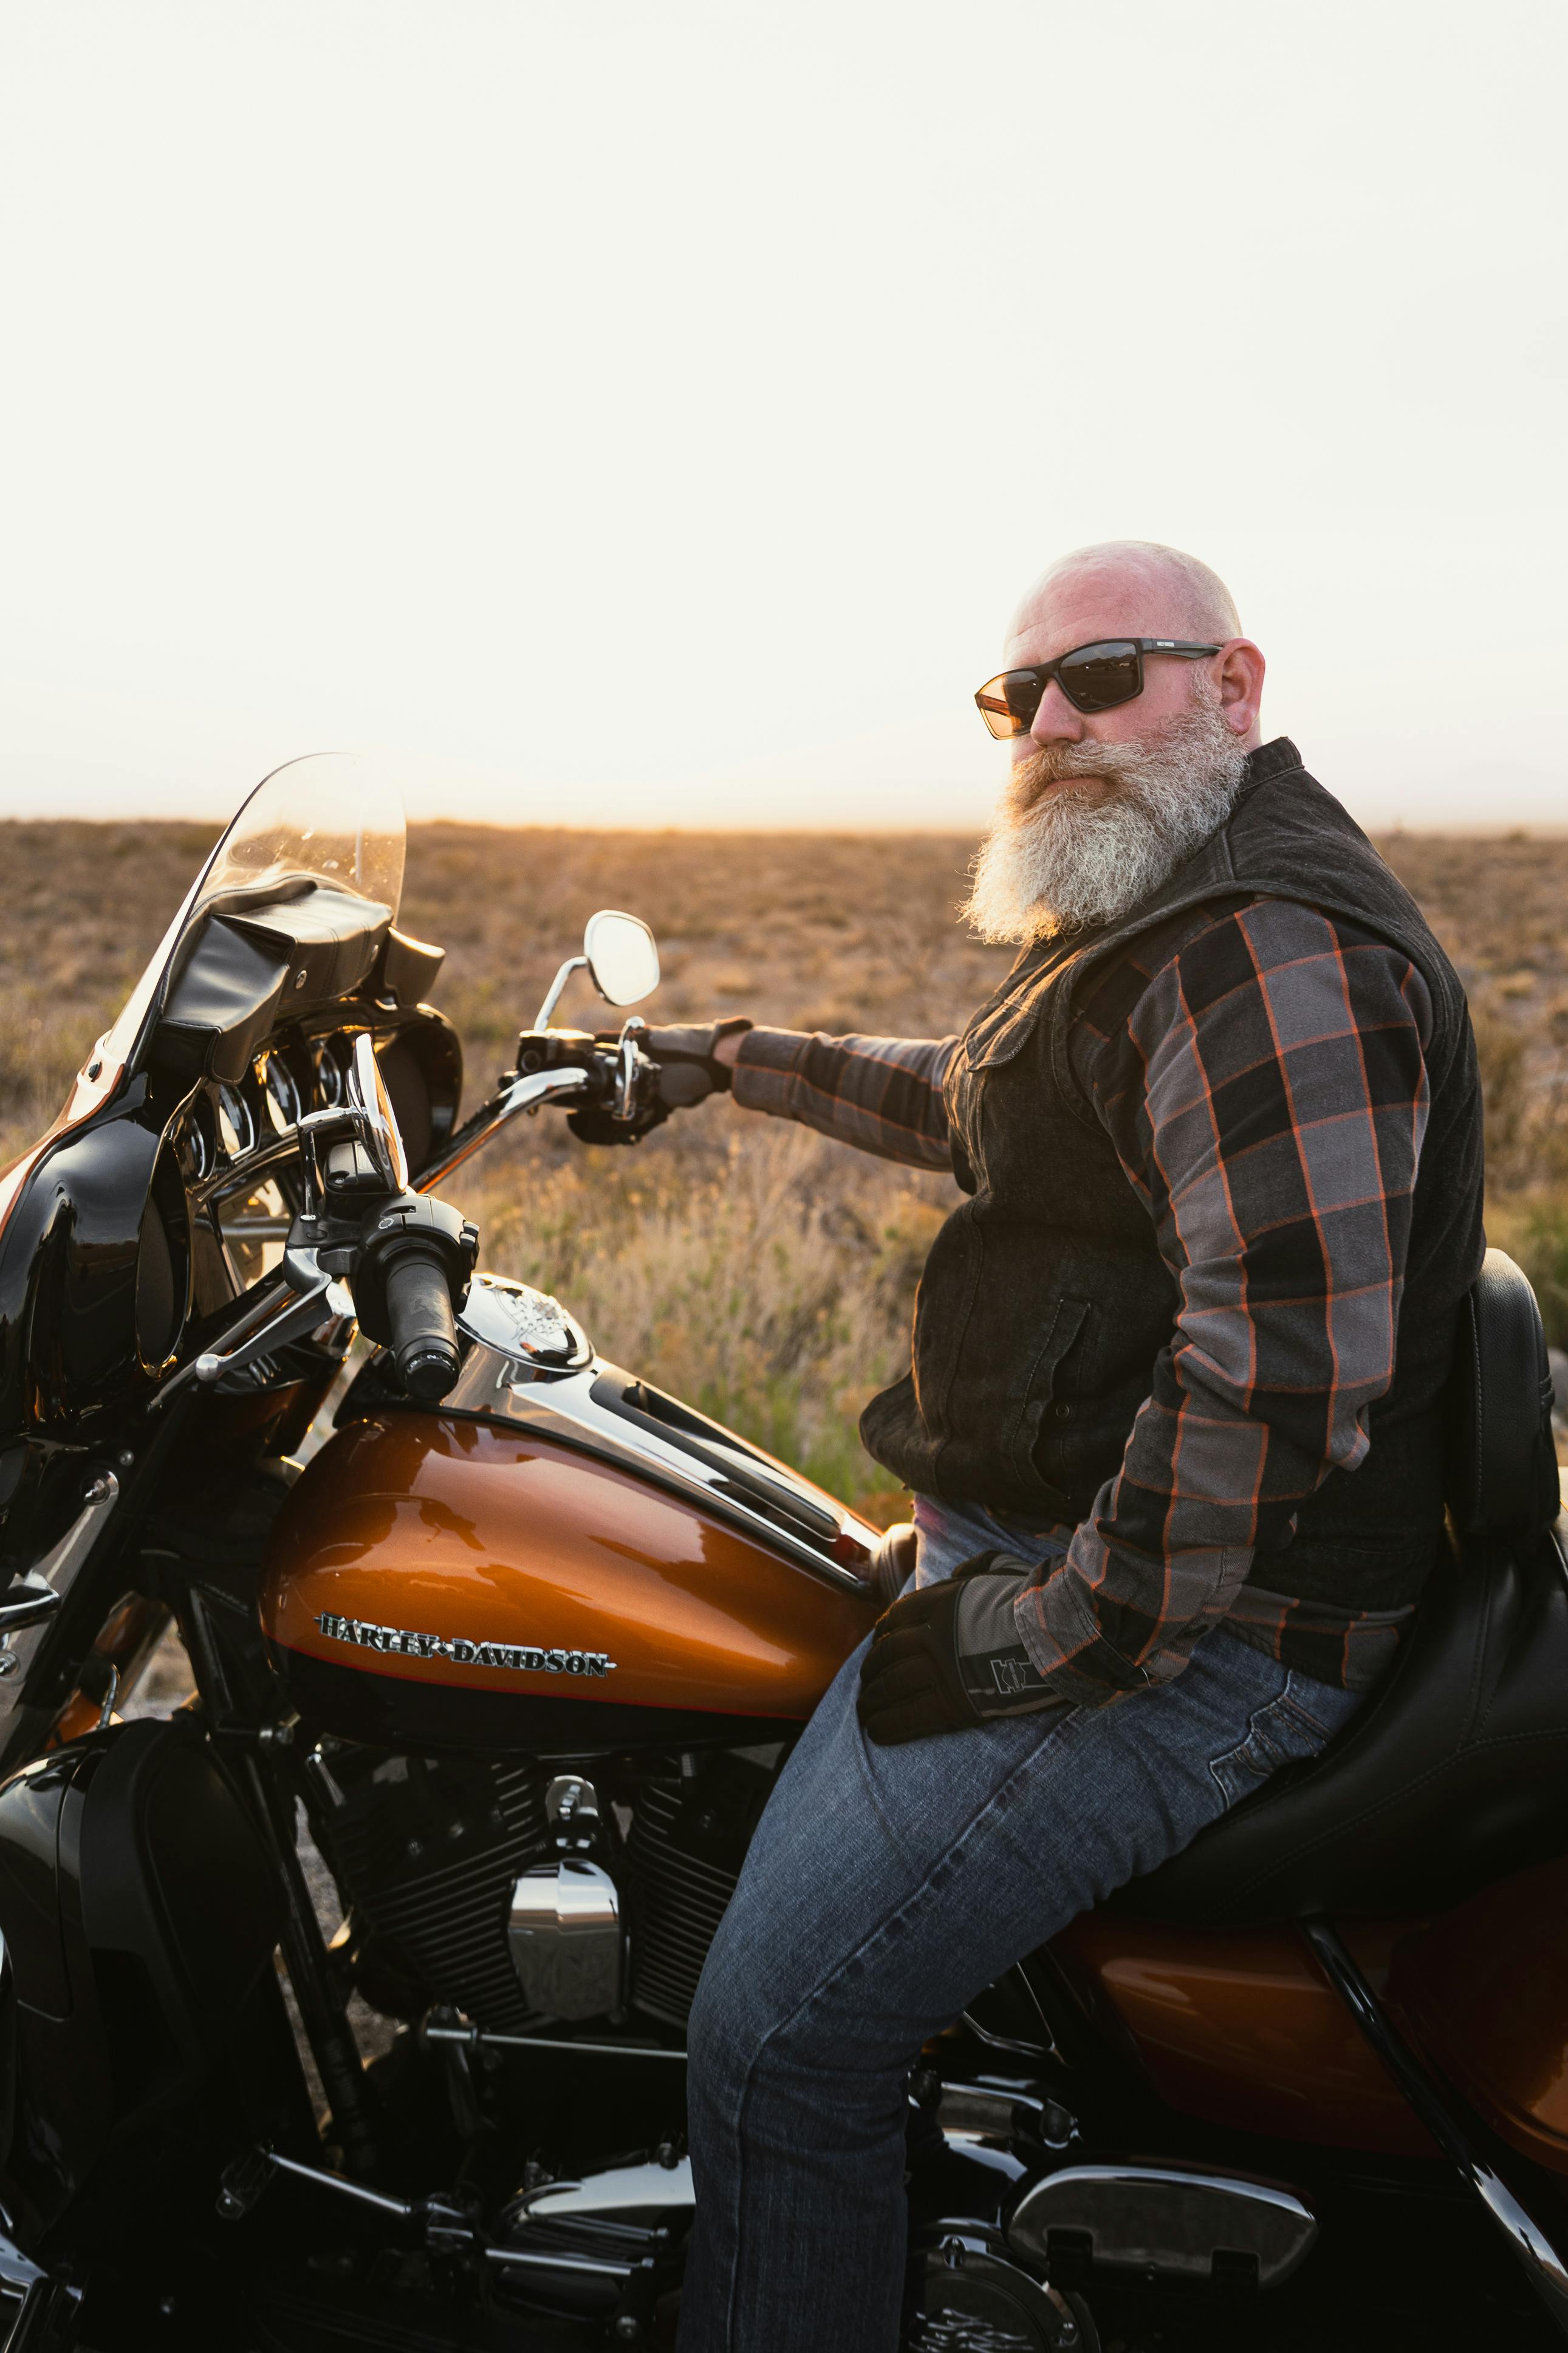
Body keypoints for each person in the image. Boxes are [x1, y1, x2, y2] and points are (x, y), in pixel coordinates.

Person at [634, 540, 1484, 2353]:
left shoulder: (1263, 948)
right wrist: (714, 1059)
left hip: (1199, 1632)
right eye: (1020, 695)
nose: (1053, 724)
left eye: (1107, 677)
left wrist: (1033, 1638)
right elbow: (982, 1097)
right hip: (1099, 1561)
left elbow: (1277, 1385)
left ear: (1234, 689)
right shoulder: (1160, 907)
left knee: (780, 2043)